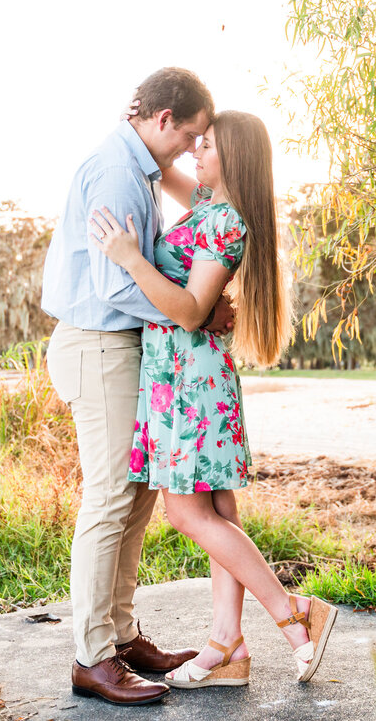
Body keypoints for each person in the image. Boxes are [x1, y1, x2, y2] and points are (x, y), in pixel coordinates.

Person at [88, 110, 338, 689]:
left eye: (208, 145)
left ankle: (292, 615)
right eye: (196, 140)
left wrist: (130, 259)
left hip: (191, 381)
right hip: (182, 375)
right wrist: (139, 130)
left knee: (185, 511)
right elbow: (160, 165)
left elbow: (190, 310)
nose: (195, 151)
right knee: (219, 512)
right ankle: (227, 645)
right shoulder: (206, 202)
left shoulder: (224, 221)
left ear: (236, 159)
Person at [42, 67, 233, 706]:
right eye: (189, 136)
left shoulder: (142, 170)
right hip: (99, 345)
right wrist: (195, 309)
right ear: (161, 121)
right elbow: (115, 284)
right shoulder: (120, 173)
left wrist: (197, 302)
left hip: (123, 347)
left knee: (138, 491)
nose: (189, 149)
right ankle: (92, 657)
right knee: (109, 496)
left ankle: (122, 637)